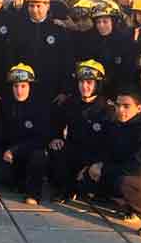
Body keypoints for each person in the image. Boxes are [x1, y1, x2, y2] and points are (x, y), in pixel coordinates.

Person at [79, 89, 141, 239]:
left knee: (126, 181)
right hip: (137, 178)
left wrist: (104, 170)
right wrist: (93, 166)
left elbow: (138, 168)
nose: (120, 110)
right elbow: (107, 153)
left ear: (139, 108)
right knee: (91, 177)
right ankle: (135, 209)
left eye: (126, 106)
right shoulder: (116, 126)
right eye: (118, 105)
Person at [49, 60, 115, 203]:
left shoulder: (108, 109)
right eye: (81, 82)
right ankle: (64, 190)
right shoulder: (71, 103)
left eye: (89, 83)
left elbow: (112, 142)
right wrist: (56, 137)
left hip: (96, 157)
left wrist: (94, 165)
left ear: (98, 84)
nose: (84, 86)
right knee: (57, 151)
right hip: (74, 152)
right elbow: (57, 123)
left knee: (92, 189)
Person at [0, 63, 49, 205]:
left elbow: (41, 139)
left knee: (39, 155)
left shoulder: (39, 108)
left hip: (27, 155)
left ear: (30, 86)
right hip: (9, 157)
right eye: (15, 86)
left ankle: (33, 195)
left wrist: (16, 150)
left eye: (23, 86)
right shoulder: (5, 106)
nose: (19, 91)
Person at [10, 0, 71, 104]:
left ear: (47, 6)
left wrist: (65, 90)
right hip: (23, 88)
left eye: (39, 6)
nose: (34, 10)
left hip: (51, 89)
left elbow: (66, 62)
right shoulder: (19, 30)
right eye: (31, 6)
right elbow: (10, 57)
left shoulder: (58, 30)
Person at [81, 1, 135, 98]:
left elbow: (128, 72)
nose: (101, 25)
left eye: (105, 21)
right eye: (98, 22)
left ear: (114, 22)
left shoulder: (125, 42)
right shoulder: (88, 40)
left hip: (117, 92)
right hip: (93, 91)